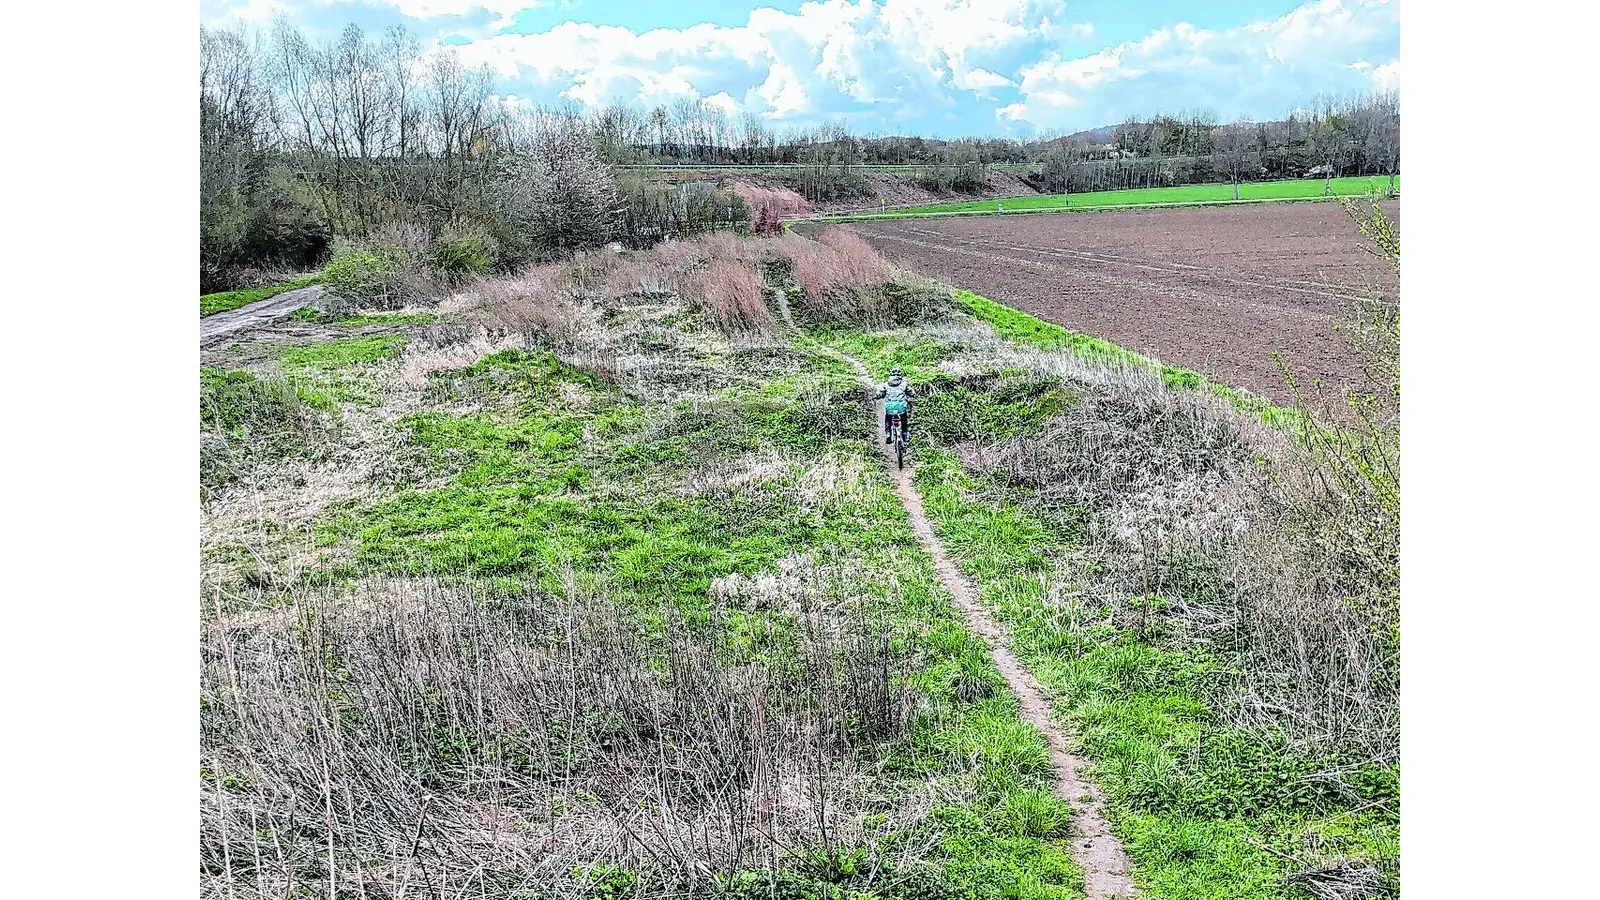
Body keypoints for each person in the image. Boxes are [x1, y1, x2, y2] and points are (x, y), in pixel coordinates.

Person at [872, 366, 913, 444]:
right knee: (904, 418)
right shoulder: (904, 384)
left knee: (888, 419)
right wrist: (912, 395)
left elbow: (879, 394)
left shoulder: (886, 384)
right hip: (901, 406)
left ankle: (888, 435)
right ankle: (904, 434)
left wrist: (875, 397)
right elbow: (911, 393)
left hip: (890, 406)